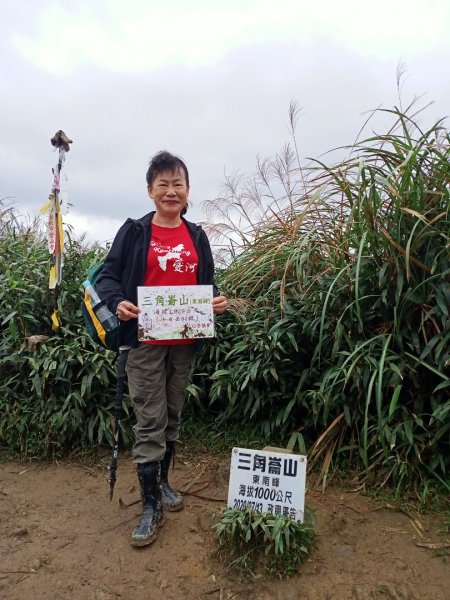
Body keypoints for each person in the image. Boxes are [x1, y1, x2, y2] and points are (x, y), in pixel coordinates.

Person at [95, 151, 227, 547]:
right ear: (150, 190)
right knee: (150, 419)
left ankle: (164, 482)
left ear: (188, 191)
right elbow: (107, 276)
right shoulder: (135, 232)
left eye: (178, 184)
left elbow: (206, 283)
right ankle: (150, 505)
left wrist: (215, 300)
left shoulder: (197, 236)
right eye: (163, 184)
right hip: (144, 343)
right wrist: (118, 301)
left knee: (172, 413)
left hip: (185, 343)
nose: (171, 191)